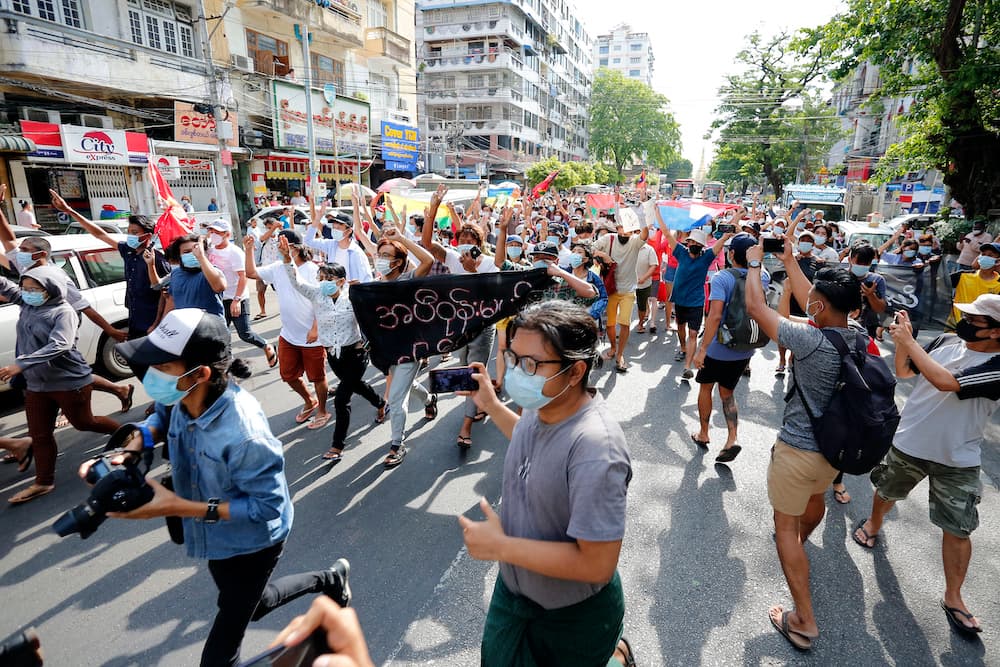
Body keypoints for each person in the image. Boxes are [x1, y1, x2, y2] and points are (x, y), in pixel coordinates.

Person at [104, 308, 351, 666]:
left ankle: (328, 586)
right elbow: (162, 412)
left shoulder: (243, 434)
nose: (150, 375)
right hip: (214, 535)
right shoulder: (183, 394)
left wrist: (176, 506)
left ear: (199, 374)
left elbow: (267, 507)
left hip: (255, 541)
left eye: (160, 367)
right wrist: (137, 441)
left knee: (224, 645)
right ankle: (330, 579)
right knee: (256, 604)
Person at [458, 300, 636, 667]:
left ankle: (616, 656)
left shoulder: (595, 449)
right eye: (512, 356)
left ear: (575, 372)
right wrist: (491, 406)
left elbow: (597, 564)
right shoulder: (543, 406)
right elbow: (528, 442)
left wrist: (503, 547)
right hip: (516, 595)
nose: (517, 373)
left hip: (571, 617)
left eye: (531, 364)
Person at [853, 295, 1000, 637]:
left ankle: (954, 597)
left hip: (958, 458)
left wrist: (907, 341)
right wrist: (903, 340)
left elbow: (948, 382)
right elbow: (905, 371)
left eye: (975, 319)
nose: (964, 321)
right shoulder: (947, 340)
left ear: (995, 332)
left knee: (959, 529)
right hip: (909, 442)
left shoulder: (997, 365)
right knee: (886, 490)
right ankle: (874, 525)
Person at [744, 237, 864, 651]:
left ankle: (804, 619)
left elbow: (757, 310)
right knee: (816, 498)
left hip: (797, 451)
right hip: (833, 453)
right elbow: (812, 296)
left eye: (811, 295)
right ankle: (801, 547)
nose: (805, 295)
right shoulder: (858, 335)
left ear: (820, 306)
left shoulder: (809, 340)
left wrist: (757, 265)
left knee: (784, 530)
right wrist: (790, 259)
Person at [0, 266, 120, 504]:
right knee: (40, 434)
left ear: (51, 289)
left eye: (34, 289)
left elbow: (60, 345)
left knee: (85, 422)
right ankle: (43, 482)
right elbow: (5, 287)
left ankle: (127, 434)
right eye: (25, 288)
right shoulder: (27, 303)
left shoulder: (63, 311)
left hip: (68, 382)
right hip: (37, 384)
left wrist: (21, 364)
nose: (27, 292)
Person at [0, 221, 136, 411]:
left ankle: (65, 407)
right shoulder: (26, 268)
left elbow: (85, 307)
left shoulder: (58, 279)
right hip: (32, 329)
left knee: (66, 370)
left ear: (40, 255)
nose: (19, 253)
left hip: (55, 329)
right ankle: (116, 390)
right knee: (45, 371)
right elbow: (8, 240)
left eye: (24, 250)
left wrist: (110, 330)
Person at [278, 235, 386, 453]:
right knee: (356, 385)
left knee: (341, 400)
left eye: (328, 277)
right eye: (321, 277)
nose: (323, 281)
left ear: (340, 280)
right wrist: (287, 259)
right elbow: (296, 281)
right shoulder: (317, 295)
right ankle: (381, 403)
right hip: (334, 356)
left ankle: (337, 447)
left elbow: (371, 319)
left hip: (356, 354)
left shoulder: (354, 297)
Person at [48, 190, 169, 339]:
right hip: (135, 319)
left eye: (135, 232)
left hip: (153, 325)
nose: (130, 235)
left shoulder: (158, 260)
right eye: (129, 231)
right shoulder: (128, 251)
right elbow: (100, 234)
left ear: (148, 236)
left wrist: (157, 324)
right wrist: (70, 210)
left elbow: (167, 296)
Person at [691, 234, 769, 462]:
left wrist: (702, 349)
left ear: (732, 253)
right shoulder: (762, 276)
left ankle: (704, 433)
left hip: (718, 347)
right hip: (745, 347)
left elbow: (715, 315)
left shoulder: (722, 278)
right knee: (727, 393)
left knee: (706, 388)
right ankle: (732, 437)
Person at [243, 231, 329, 428]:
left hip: (312, 337)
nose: (279, 247)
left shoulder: (313, 270)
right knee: (288, 375)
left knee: (318, 378)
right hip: (288, 335)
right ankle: (310, 401)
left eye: (283, 243)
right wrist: (248, 251)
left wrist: (315, 328)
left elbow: (320, 301)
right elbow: (251, 273)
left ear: (296, 247)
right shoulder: (277, 268)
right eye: (277, 243)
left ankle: (323, 410)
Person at [375, 225, 437, 468]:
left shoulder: (408, 280)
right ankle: (429, 399)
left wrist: (401, 238)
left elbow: (428, 259)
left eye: (387, 256)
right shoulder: (375, 285)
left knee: (396, 396)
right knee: (405, 385)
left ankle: (396, 444)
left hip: (409, 348)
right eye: (380, 255)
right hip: (386, 349)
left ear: (399, 262)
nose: (382, 260)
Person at [661, 224, 731, 380]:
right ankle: (683, 348)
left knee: (693, 333)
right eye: (692, 242)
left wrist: (728, 233)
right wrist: (658, 211)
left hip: (696, 302)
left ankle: (687, 367)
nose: (694, 245)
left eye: (698, 244)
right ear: (688, 243)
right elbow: (666, 232)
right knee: (680, 327)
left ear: (701, 246)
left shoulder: (706, 257)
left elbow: (721, 243)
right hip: (680, 299)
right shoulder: (680, 253)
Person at [206, 218, 277, 369]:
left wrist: (236, 300)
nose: (213, 235)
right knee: (221, 334)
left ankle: (266, 346)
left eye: (217, 232)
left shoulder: (234, 252)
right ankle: (227, 365)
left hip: (236, 298)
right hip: (218, 298)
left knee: (245, 334)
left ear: (226, 234)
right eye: (211, 231)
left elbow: (242, 277)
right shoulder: (210, 249)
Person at [591, 207, 650, 373]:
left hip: (628, 291)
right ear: (617, 228)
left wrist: (642, 217)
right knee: (610, 325)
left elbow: (645, 235)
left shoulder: (635, 242)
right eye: (621, 230)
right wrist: (603, 256)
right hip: (609, 290)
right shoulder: (608, 239)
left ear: (633, 232)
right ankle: (612, 347)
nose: (624, 234)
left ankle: (620, 355)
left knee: (624, 323)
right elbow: (589, 248)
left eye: (628, 232)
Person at [160, 234, 227, 318]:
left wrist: (201, 257)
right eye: (186, 252)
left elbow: (219, 287)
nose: (193, 254)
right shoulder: (176, 274)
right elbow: (172, 301)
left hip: (210, 328)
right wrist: (164, 324)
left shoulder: (211, 272)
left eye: (195, 250)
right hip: (185, 328)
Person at [306, 207, 373, 283]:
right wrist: (317, 219)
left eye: (338, 228)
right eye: (334, 227)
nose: (335, 230)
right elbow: (309, 241)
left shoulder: (356, 253)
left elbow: (367, 279)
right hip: (333, 291)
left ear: (349, 231)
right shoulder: (330, 245)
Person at [950, 242, 1000, 324]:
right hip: (954, 326)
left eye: (990, 255)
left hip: (980, 330)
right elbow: (940, 283)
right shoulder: (962, 276)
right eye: (983, 254)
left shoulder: (999, 283)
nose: (985, 257)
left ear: (998, 261)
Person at [634, 239, 659, 334]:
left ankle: (640, 323)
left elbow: (653, 265)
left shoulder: (649, 249)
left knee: (642, 305)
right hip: (628, 283)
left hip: (643, 283)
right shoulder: (630, 248)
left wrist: (644, 278)